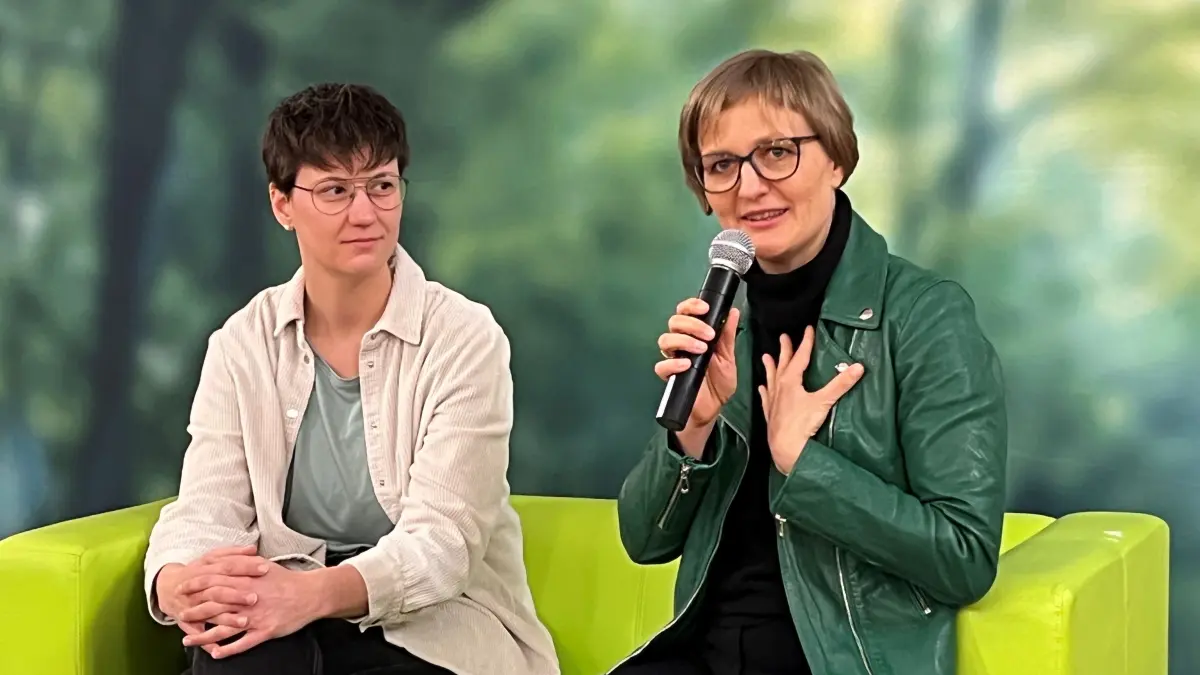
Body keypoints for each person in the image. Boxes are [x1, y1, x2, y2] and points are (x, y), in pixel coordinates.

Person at [611, 49, 1008, 675]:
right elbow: (644, 540)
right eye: (721, 165)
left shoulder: (927, 317)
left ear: (837, 159)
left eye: (777, 152)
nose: (749, 186)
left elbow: (964, 558)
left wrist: (803, 462)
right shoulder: (719, 323)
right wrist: (692, 432)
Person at [142, 83, 559, 675]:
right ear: (282, 204)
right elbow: (206, 508)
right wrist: (179, 581)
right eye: (335, 190)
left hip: (431, 624)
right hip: (278, 614)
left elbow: (444, 546)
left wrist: (308, 596)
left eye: (381, 187)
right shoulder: (242, 342)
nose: (365, 214)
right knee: (232, 658)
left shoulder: (465, 337)